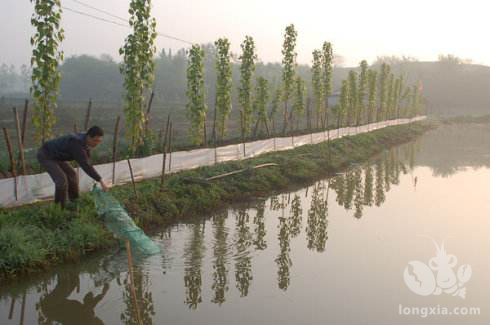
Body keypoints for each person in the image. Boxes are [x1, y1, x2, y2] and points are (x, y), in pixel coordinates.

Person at [37, 126, 110, 208]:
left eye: (99, 141)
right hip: (46, 155)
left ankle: (75, 201)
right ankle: (59, 208)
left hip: (57, 156)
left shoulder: (85, 141)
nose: (97, 143)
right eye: (95, 141)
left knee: (72, 175)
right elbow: (85, 164)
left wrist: (96, 176)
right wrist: (100, 180)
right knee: (61, 180)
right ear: (89, 137)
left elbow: (87, 160)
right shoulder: (76, 144)